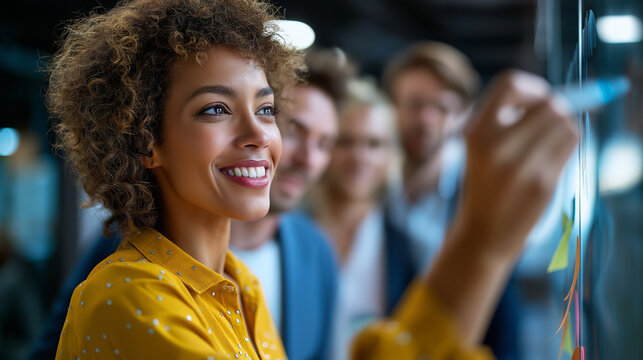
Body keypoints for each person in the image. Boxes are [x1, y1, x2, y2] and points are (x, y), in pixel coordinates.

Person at [47, 0, 579, 358]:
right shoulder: (129, 297)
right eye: (214, 110)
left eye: (268, 108)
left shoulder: (240, 289)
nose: (260, 133)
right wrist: (481, 243)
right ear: (145, 141)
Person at [229, 49, 352, 359]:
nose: (308, 160)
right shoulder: (146, 241)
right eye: (296, 131)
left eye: (324, 144)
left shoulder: (316, 252)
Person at [307, 78, 415, 360]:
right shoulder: (291, 231)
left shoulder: (402, 245)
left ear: (392, 154)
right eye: (346, 141)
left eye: (374, 144)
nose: (359, 157)